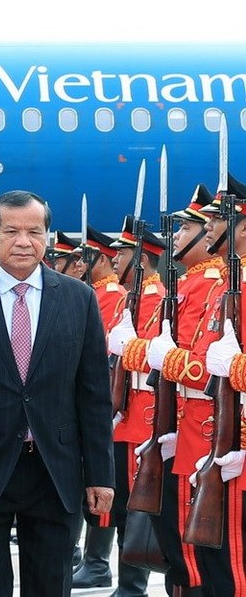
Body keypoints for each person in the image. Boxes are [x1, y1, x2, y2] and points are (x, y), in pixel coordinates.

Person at [0, 190, 114, 597]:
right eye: (11, 231)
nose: (23, 241)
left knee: (50, 585)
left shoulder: (79, 299)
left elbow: (93, 393)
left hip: (53, 469)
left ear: (47, 235)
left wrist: (100, 474)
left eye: (34, 231)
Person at [121, 183, 218, 596]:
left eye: (188, 229)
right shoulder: (192, 284)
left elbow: (202, 367)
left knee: (199, 556)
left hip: (201, 430)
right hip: (178, 427)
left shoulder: (212, 285)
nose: (175, 237)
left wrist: (137, 350)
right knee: (178, 550)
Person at [150, 175, 246, 595]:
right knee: (206, 560)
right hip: (201, 437)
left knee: (232, 567)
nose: (207, 226)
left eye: (215, 220)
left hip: (233, 443)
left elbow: (212, 369)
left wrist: (235, 366)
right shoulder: (223, 287)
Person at [103, 216, 167, 597]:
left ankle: (132, 585)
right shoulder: (130, 298)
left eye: (122, 252)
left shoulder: (157, 300)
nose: (113, 259)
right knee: (122, 505)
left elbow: (156, 359)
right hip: (121, 413)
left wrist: (128, 348)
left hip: (142, 414)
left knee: (137, 507)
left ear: (141, 261)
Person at [67, 225, 125, 590]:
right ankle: (88, 557)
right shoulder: (91, 294)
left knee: (105, 486)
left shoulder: (114, 296)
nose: (76, 266)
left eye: (83, 259)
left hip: (115, 406)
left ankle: (98, 562)